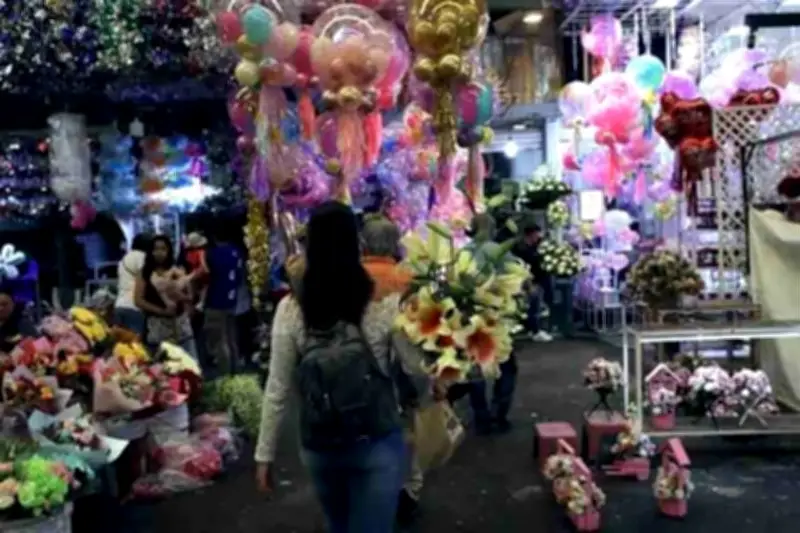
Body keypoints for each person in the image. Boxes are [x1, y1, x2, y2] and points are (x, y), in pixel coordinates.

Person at [255, 202, 425, 533]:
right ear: (356, 244)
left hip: (320, 445)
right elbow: (414, 367)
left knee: (339, 526)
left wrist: (265, 455)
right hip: (375, 438)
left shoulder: (291, 309)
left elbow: (277, 388)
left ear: (310, 247)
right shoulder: (384, 303)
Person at [360, 215, 426, 525]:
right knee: (408, 434)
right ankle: (408, 492)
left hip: (358, 374)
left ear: (363, 243)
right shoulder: (407, 278)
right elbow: (416, 335)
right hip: (399, 375)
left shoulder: (350, 278)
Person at [448, 214, 520, 434]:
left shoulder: (463, 251)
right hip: (496, 316)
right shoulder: (496, 250)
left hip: (470, 318)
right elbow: (516, 278)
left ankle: (482, 417)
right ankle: (500, 414)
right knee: (507, 367)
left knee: (476, 367)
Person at [134, 235, 198, 359]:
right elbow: (138, 300)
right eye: (156, 249)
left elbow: (190, 297)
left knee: (190, 366)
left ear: (169, 251)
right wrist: (161, 311)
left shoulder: (178, 270)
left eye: (163, 249)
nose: (159, 253)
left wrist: (182, 296)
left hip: (181, 327)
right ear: (150, 251)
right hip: (157, 328)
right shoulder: (144, 272)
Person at [203, 227, 244, 374]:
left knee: (219, 341)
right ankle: (236, 372)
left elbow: (206, 276)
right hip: (232, 300)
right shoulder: (236, 251)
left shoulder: (212, 254)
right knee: (231, 338)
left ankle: (224, 375)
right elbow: (239, 277)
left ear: (214, 238)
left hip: (215, 300)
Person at [513, 223, 553, 342]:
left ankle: (533, 329)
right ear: (530, 235)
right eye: (536, 234)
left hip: (539, 279)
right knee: (534, 304)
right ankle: (535, 331)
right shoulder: (520, 248)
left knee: (537, 304)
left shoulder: (539, 245)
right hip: (528, 281)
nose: (538, 236)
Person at [114, 233, 149, 336]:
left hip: (119, 305)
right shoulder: (142, 257)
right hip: (134, 307)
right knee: (134, 347)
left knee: (121, 346)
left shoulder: (123, 259)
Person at [0, 289, 35, 354]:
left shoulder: (24, 324)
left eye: (4, 304)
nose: (1, 308)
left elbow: (36, 345)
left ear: (12, 305)